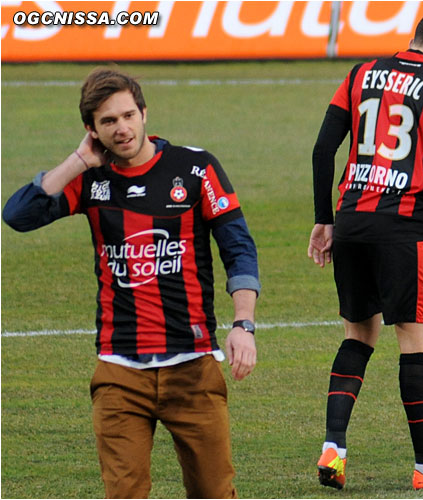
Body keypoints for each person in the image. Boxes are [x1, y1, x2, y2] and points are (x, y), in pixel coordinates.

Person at [2, 67, 261, 498]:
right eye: (108, 122)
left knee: (216, 492)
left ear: (144, 113)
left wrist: (243, 324)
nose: (121, 129)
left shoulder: (195, 169)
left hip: (193, 368)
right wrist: (78, 161)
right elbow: (18, 215)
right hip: (120, 374)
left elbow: (239, 248)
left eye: (127, 115)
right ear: (92, 131)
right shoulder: (88, 180)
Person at [307, 12, 423, 491]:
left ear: (414, 40)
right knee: (416, 341)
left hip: (349, 220)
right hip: (402, 227)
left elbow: (323, 149)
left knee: (359, 335)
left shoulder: (361, 72)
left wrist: (324, 218)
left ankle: (334, 446)